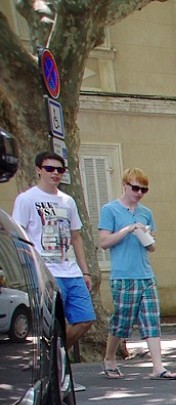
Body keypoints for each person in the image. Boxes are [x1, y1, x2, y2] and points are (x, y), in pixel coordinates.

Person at [12, 151, 97, 385]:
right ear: (38, 169)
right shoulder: (27, 199)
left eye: (60, 170)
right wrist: (27, 268)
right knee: (53, 324)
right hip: (45, 272)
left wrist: (85, 270)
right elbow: (19, 237)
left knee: (85, 319)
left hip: (71, 270)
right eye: (50, 169)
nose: (55, 174)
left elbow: (76, 237)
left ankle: (52, 361)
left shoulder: (67, 201)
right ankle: (57, 373)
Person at [98, 168, 176, 380]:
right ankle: (109, 358)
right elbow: (104, 242)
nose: (139, 192)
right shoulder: (110, 210)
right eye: (136, 188)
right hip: (123, 276)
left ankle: (158, 367)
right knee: (122, 321)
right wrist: (128, 229)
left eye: (144, 189)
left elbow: (152, 248)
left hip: (146, 274)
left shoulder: (146, 212)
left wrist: (146, 235)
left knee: (152, 320)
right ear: (125, 185)